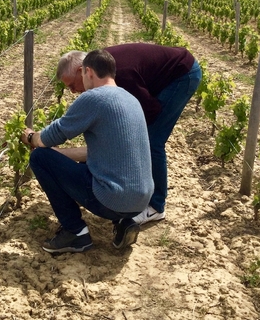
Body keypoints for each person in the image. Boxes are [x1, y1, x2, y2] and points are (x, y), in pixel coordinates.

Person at [22, 49, 153, 254]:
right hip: (141, 203)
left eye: (75, 82)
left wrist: (30, 137)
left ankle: (75, 232)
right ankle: (123, 222)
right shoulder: (130, 98)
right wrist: (56, 157)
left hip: (113, 200)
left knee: (39, 157)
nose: (74, 91)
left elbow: (50, 136)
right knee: (79, 163)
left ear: (87, 71)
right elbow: (97, 152)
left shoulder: (94, 98)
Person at [56, 43, 202, 225]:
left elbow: (150, 110)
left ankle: (156, 207)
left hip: (183, 73)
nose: (73, 92)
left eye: (72, 85)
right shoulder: (103, 71)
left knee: (152, 140)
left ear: (83, 71)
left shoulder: (121, 77)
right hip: (163, 76)